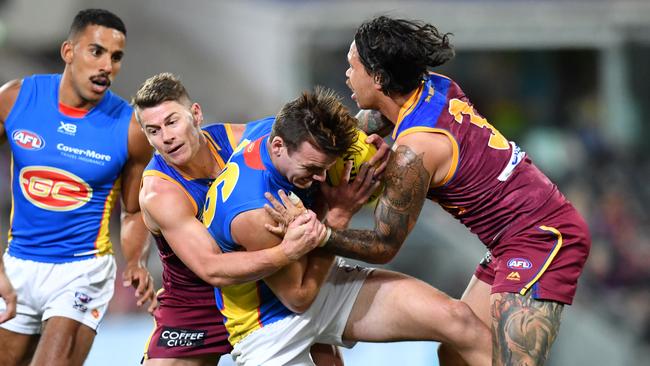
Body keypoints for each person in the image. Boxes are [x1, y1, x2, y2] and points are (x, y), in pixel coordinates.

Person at [270, 16, 592, 366]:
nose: (347, 75)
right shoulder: (433, 86)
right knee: (455, 351)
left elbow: (383, 245)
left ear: (378, 78)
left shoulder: (415, 150)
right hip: (511, 237)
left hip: (542, 237)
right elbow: (354, 131)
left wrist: (315, 234)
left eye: (352, 66)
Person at [203, 87, 492, 366]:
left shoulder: (283, 132)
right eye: (312, 169)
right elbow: (299, 296)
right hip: (269, 328)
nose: (321, 177)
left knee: (457, 319)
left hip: (322, 280)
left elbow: (356, 129)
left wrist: (373, 154)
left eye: (326, 167)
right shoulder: (255, 210)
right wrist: (339, 213)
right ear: (278, 146)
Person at [133, 73, 353, 365]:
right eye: (153, 130)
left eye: (172, 122)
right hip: (197, 304)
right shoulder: (159, 191)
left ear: (195, 114)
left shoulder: (239, 140)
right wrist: (286, 251)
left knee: (323, 349)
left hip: (265, 290)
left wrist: (375, 126)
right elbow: (211, 268)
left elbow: (307, 143)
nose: (166, 137)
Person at [0, 9, 156, 366]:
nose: (107, 66)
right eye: (96, 51)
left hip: (82, 270)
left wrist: (135, 260)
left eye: (116, 57)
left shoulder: (130, 129)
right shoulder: (15, 99)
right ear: (68, 52)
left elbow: (132, 210)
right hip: (19, 264)